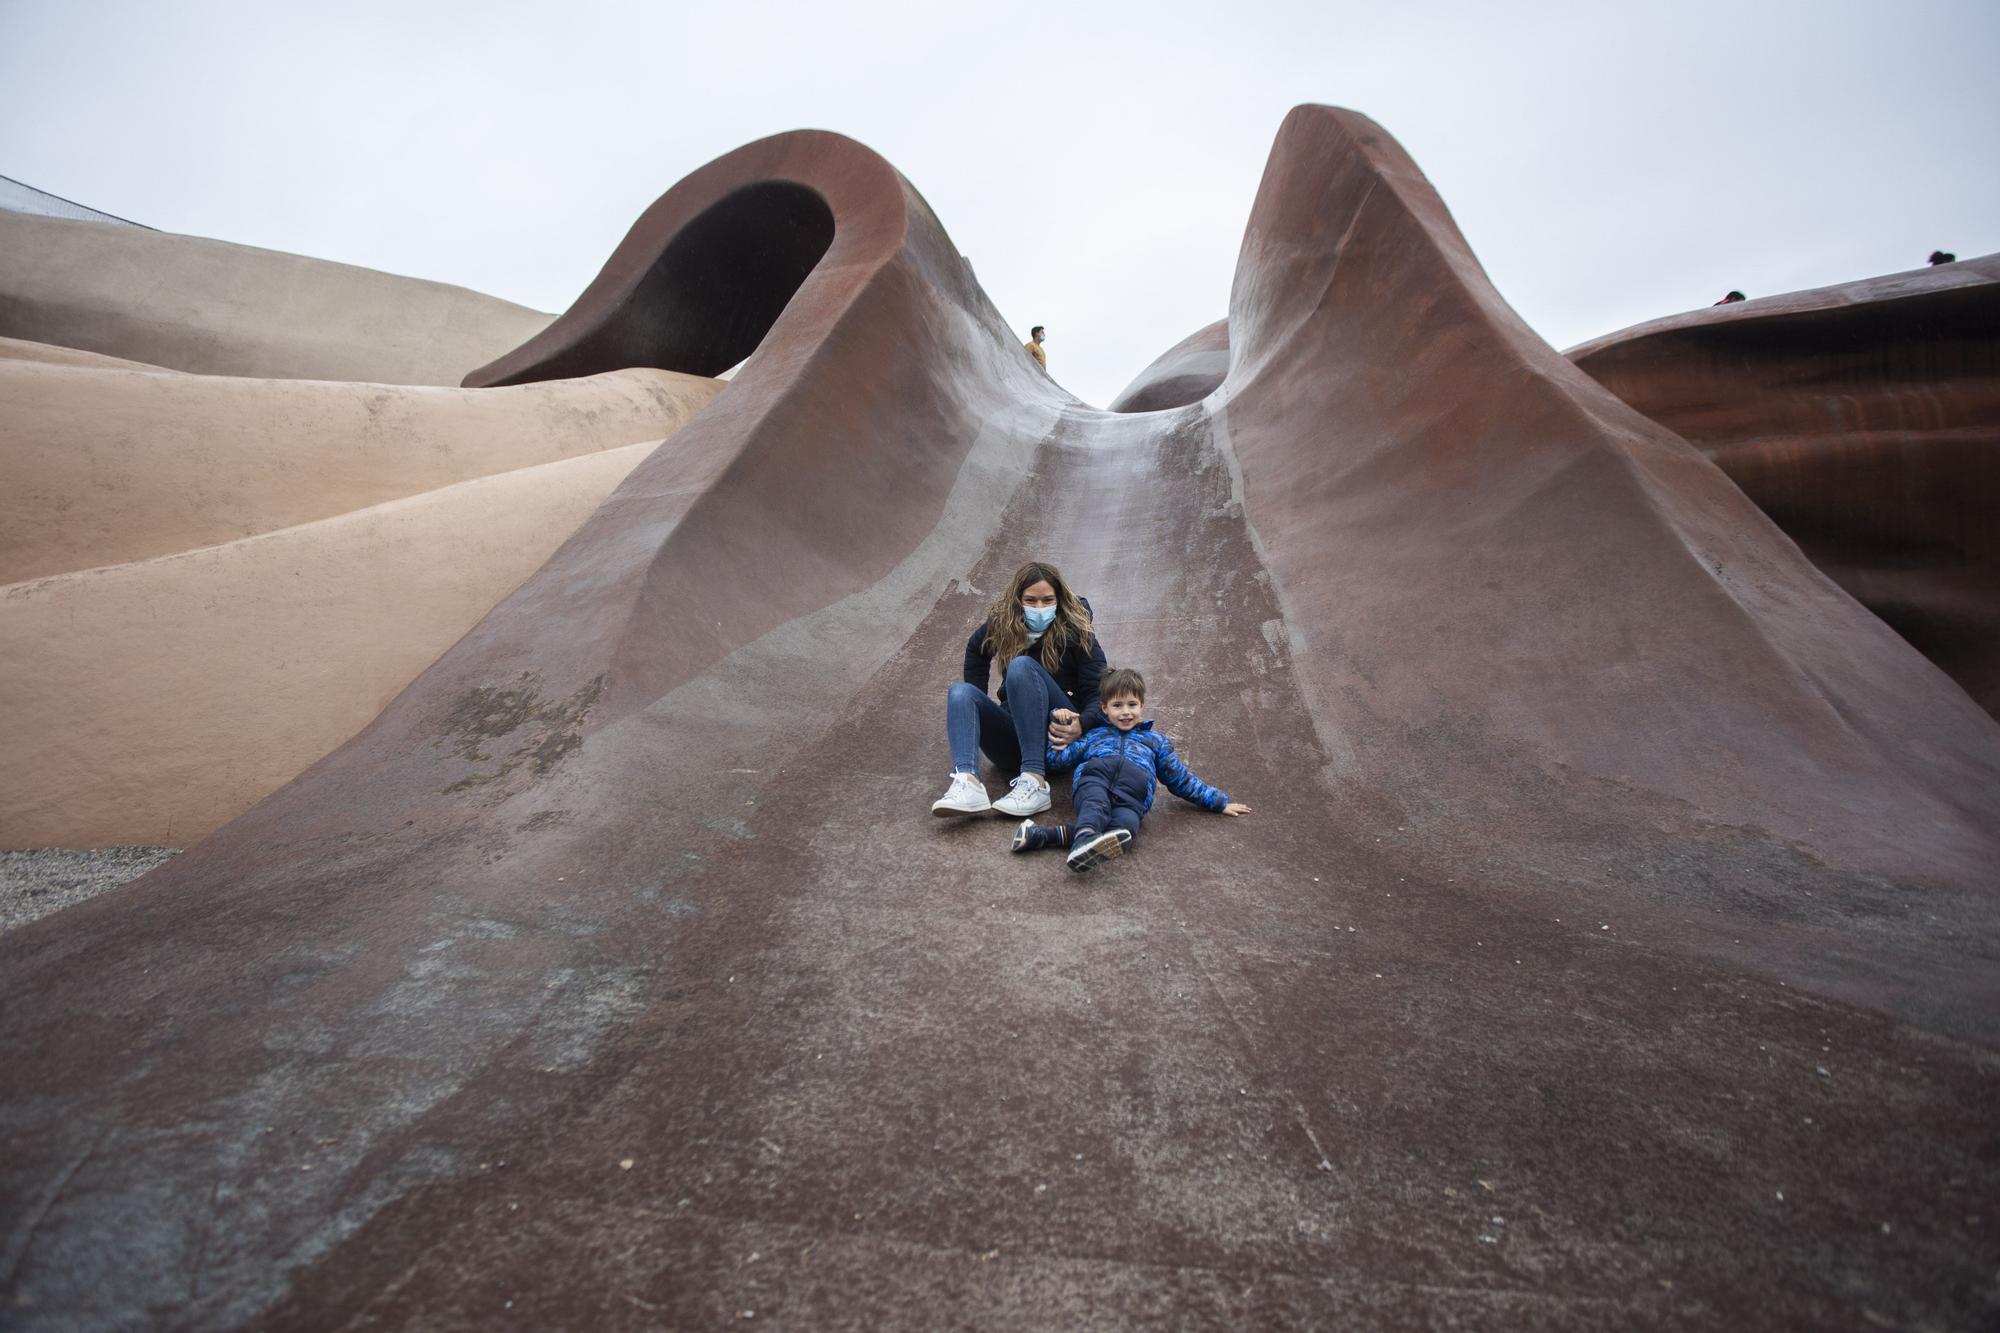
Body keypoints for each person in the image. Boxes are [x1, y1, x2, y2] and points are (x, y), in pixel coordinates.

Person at [1012, 667, 1250, 872]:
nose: (1126, 712)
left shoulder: (1155, 742)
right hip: (1095, 778)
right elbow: (1057, 760)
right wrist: (1061, 722)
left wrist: (1218, 802)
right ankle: (1082, 843)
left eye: (1132, 704)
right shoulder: (1093, 736)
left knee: (1124, 828)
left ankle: (1044, 836)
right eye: (1117, 705)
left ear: (1142, 705)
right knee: (1094, 809)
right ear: (1104, 708)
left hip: (1133, 794)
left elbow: (1181, 779)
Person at [933, 560, 1106, 819]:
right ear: (1018, 600)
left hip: (1057, 741)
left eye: (1048, 601)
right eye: (1031, 601)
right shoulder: (1004, 625)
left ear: (1059, 600)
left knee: (1021, 666)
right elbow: (975, 650)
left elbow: (1100, 693)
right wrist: (978, 704)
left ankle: (1035, 782)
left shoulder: (1079, 632)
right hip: (1012, 747)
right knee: (960, 692)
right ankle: (967, 782)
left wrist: (1082, 724)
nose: (1039, 608)